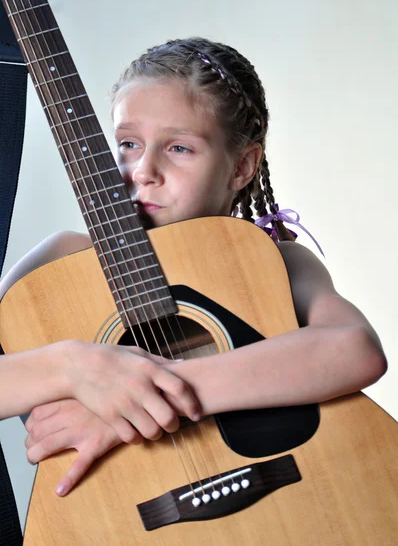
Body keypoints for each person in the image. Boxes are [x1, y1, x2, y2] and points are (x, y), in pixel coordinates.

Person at [0, 37, 387, 498]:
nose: (143, 170)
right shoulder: (63, 263)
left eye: (179, 148)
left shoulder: (274, 260)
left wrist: (145, 395)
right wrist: (75, 368)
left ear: (242, 166)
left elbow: (354, 349)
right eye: (128, 143)